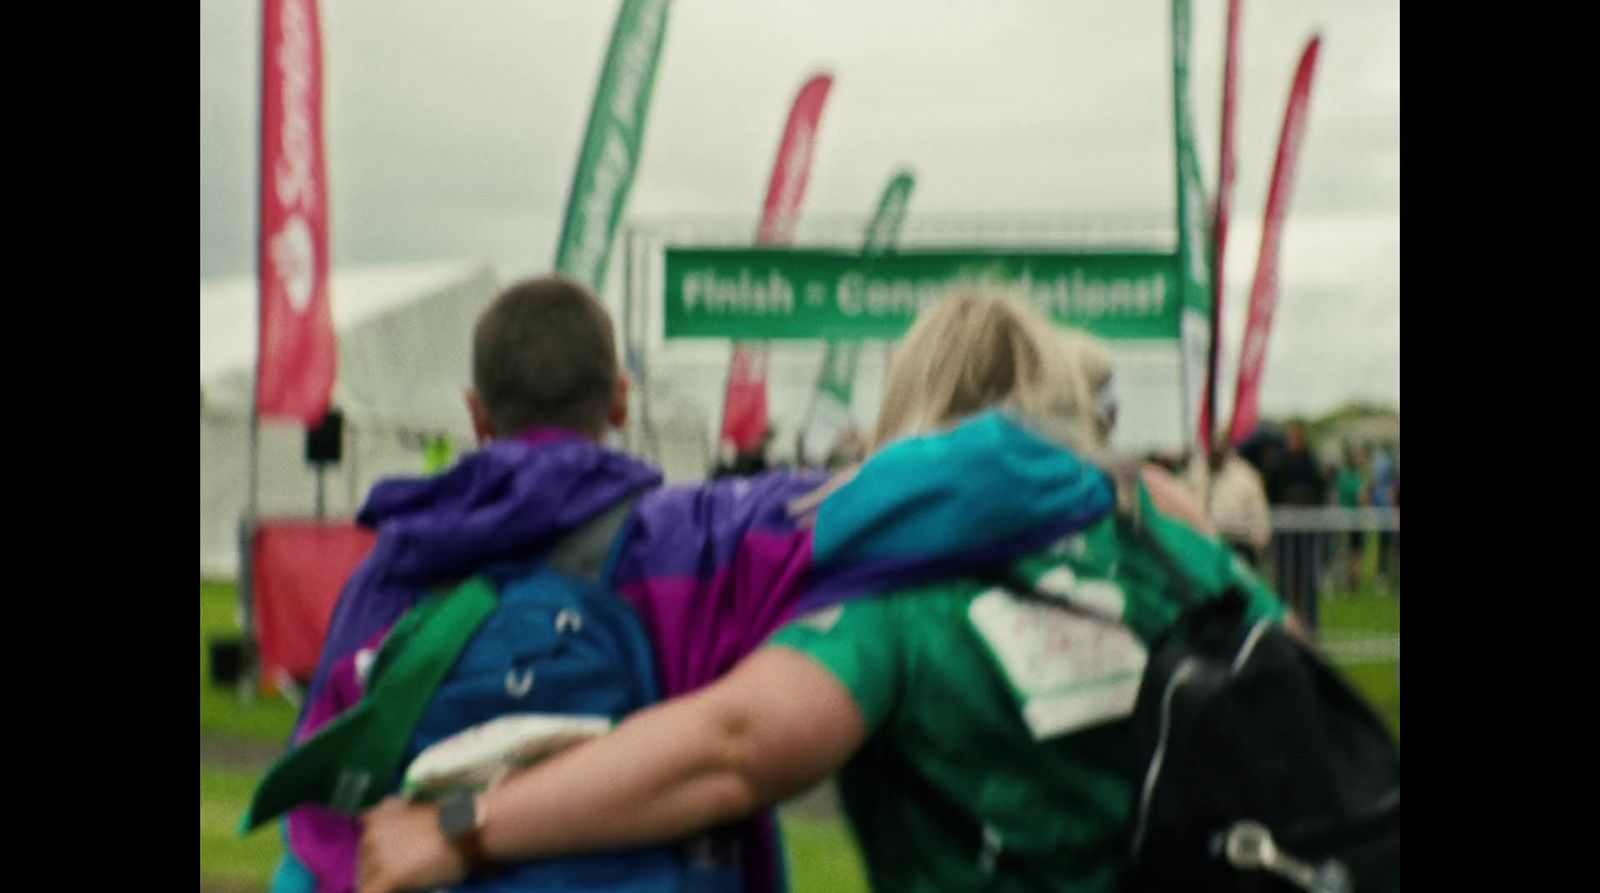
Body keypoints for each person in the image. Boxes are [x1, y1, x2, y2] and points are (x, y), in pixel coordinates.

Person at [356, 292, 1294, 893]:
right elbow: (1297, 693)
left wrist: (464, 824)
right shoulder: (1176, 550)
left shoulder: (905, 597)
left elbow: (730, 748)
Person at [1184, 441, 1272, 568]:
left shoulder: (1246, 475)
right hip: (1202, 545)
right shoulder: (1195, 472)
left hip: (1238, 546)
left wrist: (1258, 538)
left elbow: (1259, 518)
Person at [1334, 444, 1369, 590]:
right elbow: (1363, 499)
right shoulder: (1359, 478)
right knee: (1355, 551)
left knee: (1345, 551)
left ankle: (1347, 581)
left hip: (1344, 518)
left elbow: (1337, 497)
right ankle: (1352, 581)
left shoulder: (1342, 477)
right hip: (1355, 519)